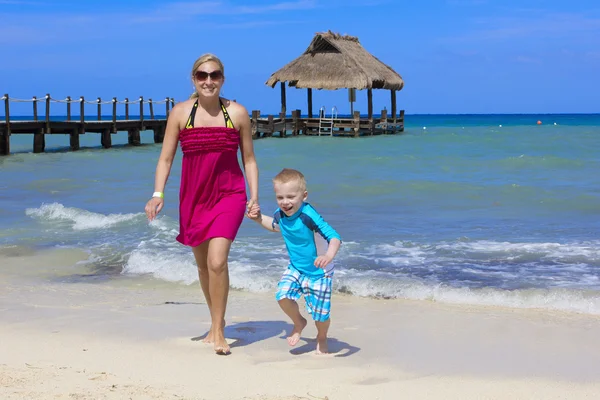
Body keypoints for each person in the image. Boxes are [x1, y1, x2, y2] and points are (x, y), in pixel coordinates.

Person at [144, 53, 259, 355]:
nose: (209, 81)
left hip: (229, 195)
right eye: (202, 75)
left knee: (217, 261)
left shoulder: (237, 113)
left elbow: (248, 159)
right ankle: (214, 322)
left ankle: (219, 331)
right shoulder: (181, 113)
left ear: (223, 78)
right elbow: (166, 158)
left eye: (215, 75)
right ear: (193, 79)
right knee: (203, 266)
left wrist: (254, 195)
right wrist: (158, 194)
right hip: (194, 198)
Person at [247, 168, 341, 354]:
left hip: (318, 271)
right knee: (282, 296)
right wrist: (258, 219)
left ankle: (321, 336)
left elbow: (334, 237)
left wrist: (328, 256)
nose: (285, 202)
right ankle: (299, 322)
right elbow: (276, 227)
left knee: (321, 315)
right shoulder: (280, 214)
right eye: (280, 197)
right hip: (296, 268)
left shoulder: (309, 215)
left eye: (291, 197)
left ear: (303, 196)